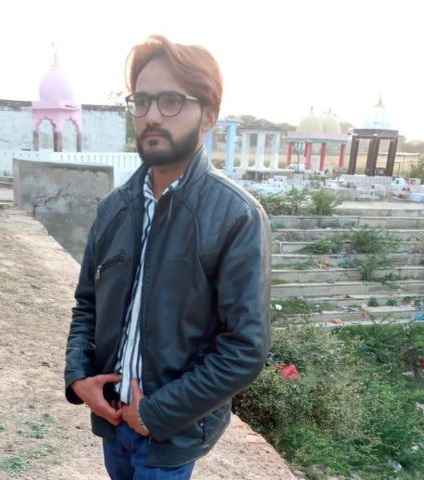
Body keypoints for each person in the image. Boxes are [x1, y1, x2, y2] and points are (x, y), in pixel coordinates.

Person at [64, 35, 271, 480]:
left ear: (208, 115)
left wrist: (156, 413)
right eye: (142, 101)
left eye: (172, 101)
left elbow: (245, 349)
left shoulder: (236, 216)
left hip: (170, 433)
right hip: (113, 421)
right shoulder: (114, 208)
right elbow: (88, 304)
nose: (152, 116)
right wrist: (79, 376)